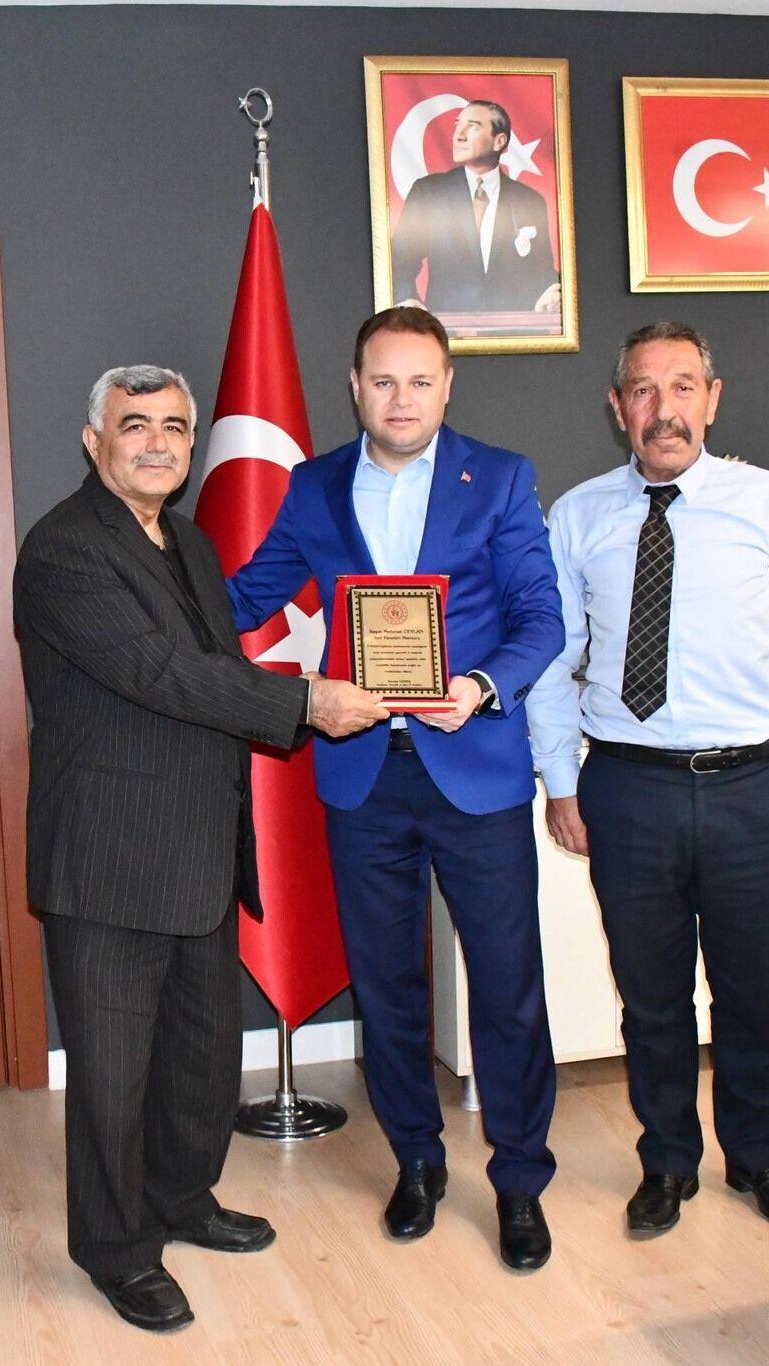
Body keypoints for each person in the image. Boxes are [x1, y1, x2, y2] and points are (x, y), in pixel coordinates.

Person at [14, 365, 386, 1333]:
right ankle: (117, 1250)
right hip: (108, 858)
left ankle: (181, 1199)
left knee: (199, 1055)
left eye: (175, 427)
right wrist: (307, 701)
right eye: (135, 424)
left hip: (199, 846)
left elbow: (212, 666)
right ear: (93, 441)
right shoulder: (63, 548)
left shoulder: (187, 539)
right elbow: (159, 672)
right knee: (111, 1076)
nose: (158, 443)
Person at [228, 307, 564, 1270]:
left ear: (448, 385)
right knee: (387, 987)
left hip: (476, 767)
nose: (402, 399)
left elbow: (541, 616)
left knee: (507, 987)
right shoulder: (314, 486)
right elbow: (247, 596)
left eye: (420, 380)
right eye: (383, 381)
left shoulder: (500, 477)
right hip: (365, 776)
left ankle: (519, 1180)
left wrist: (483, 686)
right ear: (355, 387)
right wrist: (146, 586)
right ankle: (417, 1161)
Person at [525, 321, 769, 1234]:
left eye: (683, 387)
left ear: (713, 398)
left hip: (754, 787)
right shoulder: (578, 516)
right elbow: (552, 661)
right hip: (630, 789)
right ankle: (667, 1162)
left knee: (748, 991)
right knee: (650, 997)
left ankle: (757, 1155)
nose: (665, 410)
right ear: (618, 407)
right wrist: (560, 781)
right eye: (644, 390)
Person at [390, 100, 561, 316]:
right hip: (445, 328)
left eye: (472, 126)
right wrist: (408, 299)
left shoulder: (529, 200)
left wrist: (554, 293)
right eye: (457, 125)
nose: (458, 135)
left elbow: (542, 272)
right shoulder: (428, 193)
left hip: (513, 329)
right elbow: (399, 262)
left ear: (499, 141)